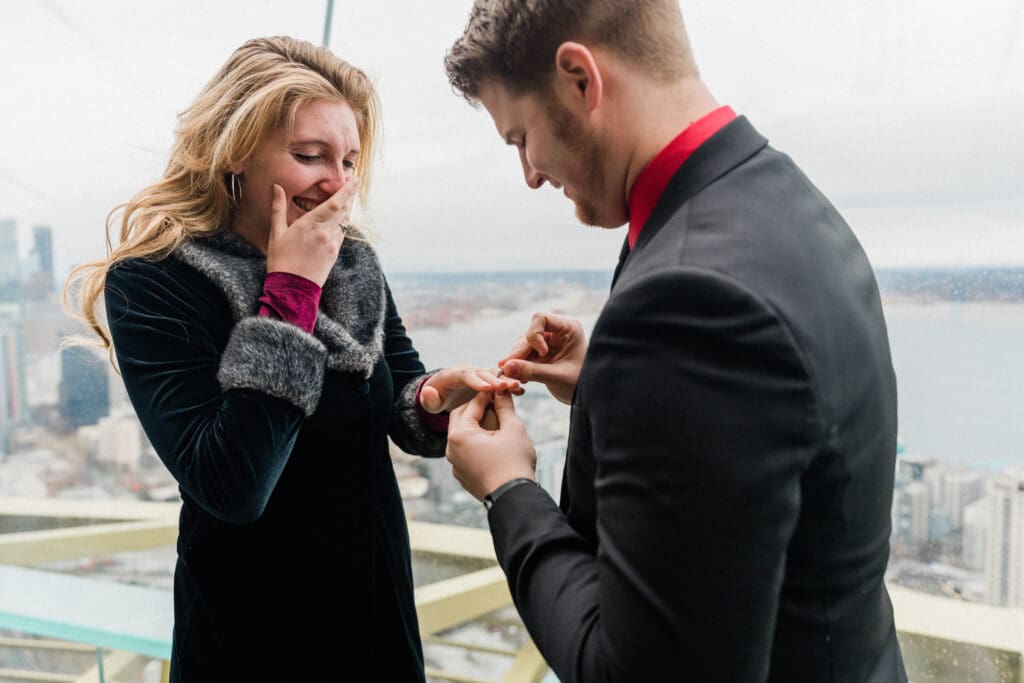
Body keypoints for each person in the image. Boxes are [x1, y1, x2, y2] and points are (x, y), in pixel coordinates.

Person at [442, 2, 908, 682]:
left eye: (520, 137)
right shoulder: (776, 197)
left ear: (580, 78)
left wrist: (508, 488)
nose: (531, 173)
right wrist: (610, 382)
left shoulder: (687, 297)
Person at [63, 36, 518, 682]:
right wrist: (292, 291)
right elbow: (232, 483)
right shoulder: (157, 281)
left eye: (350, 161)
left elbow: (397, 394)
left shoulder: (354, 259)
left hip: (375, 620)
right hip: (250, 637)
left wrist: (438, 396)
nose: (338, 184)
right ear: (238, 152)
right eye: (310, 156)